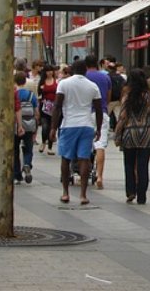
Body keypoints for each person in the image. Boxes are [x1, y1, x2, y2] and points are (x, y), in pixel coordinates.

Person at [50, 60, 103, 205]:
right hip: (86, 125)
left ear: (72, 70)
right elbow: (98, 109)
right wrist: (98, 129)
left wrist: (53, 128)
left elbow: (57, 106)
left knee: (66, 159)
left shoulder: (64, 84)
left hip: (69, 125)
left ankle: (65, 193)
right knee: (84, 159)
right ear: (86, 71)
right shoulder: (93, 86)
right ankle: (83, 195)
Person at [115, 68, 150, 204]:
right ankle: (142, 195)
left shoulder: (128, 96)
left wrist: (118, 134)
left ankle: (131, 191)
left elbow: (122, 117)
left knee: (129, 163)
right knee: (143, 165)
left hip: (130, 133)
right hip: (147, 133)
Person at [84, 54, 111, 189]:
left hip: (86, 113)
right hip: (102, 112)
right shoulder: (105, 77)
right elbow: (108, 96)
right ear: (98, 64)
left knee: (85, 144)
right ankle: (99, 176)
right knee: (100, 145)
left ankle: (84, 172)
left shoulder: (84, 77)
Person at [14, 71, 39, 184]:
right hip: (29, 125)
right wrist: (36, 125)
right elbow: (36, 112)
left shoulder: (14, 94)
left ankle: (17, 175)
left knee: (15, 150)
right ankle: (27, 164)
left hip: (15, 126)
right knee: (28, 148)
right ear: (25, 81)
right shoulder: (31, 95)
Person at [37, 65, 58, 154]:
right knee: (45, 126)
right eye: (47, 71)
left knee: (52, 127)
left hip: (54, 107)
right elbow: (39, 95)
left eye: (51, 71)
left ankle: (50, 146)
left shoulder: (56, 82)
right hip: (44, 106)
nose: (49, 73)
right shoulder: (42, 82)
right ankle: (43, 142)